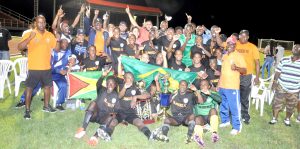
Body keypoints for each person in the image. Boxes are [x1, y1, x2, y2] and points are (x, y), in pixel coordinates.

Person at [18, 15, 59, 119]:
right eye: (39, 22)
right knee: (29, 89)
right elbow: (20, 47)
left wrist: (57, 39)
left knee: (47, 88)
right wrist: (29, 39)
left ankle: (46, 106)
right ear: (35, 23)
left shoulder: (49, 35)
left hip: (46, 68)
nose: (41, 24)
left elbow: (57, 48)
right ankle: (27, 110)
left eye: (43, 22)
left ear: (45, 23)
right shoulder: (29, 33)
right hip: (34, 68)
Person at [75, 68, 120, 146]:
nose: (110, 85)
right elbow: (98, 83)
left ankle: (95, 136)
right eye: (108, 83)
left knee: (113, 114)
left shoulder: (116, 96)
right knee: (93, 103)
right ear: (106, 84)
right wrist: (103, 75)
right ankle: (83, 128)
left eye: (112, 83)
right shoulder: (102, 90)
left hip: (104, 120)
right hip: (95, 115)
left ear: (115, 85)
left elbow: (117, 110)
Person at [218, 36, 246, 135]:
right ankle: (225, 121)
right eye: (229, 43)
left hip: (232, 86)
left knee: (234, 107)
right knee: (223, 104)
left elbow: (244, 70)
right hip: (223, 85)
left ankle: (237, 127)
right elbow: (222, 72)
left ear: (235, 45)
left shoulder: (238, 55)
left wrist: (237, 68)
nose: (230, 45)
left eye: (232, 44)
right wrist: (219, 84)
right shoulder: (225, 56)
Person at [117, 72, 155, 140]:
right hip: (119, 111)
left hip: (131, 112)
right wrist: (125, 88)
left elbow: (147, 95)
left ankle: (149, 135)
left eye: (132, 78)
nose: (130, 80)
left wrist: (135, 97)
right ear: (124, 79)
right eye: (128, 78)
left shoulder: (136, 86)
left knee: (139, 122)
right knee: (112, 121)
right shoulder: (120, 85)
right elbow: (119, 96)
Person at [269, 44, 300, 127]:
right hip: (281, 86)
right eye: (294, 47)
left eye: (297, 48)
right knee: (276, 103)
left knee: (291, 106)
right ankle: (274, 118)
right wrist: (274, 82)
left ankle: (287, 119)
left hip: (294, 90)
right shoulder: (284, 59)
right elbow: (278, 71)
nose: (295, 48)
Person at [236, 30, 260, 124]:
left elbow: (257, 63)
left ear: (248, 37)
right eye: (241, 36)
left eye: (245, 36)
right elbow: (222, 44)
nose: (243, 38)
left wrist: (257, 77)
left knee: (244, 97)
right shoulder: (235, 44)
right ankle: (235, 114)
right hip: (235, 74)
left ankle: (245, 115)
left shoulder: (252, 47)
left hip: (246, 76)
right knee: (235, 95)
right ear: (239, 36)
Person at [193, 79, 221, 147]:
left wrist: (210, 94)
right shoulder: (196, 93)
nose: (203, 86)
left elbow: (220, 100)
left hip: (209, 117)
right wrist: (197, 93)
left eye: (205, 85)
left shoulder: (211, 93)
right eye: (201, 85)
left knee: (213, 110)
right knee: (197, 118)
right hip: (200, 118)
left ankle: (214, 133)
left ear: (209, 86)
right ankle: (199, 138)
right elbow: (199, 102)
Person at [51, 39, 72, 110]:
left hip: (60, 75)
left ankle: (59, 103)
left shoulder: (68, 52)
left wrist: (66, 69)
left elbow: (68, 64)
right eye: (64, 43)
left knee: (64, 84)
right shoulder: (54, 52)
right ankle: (23, 100)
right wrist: (58, 71)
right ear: (60, 44)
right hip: (51, 74)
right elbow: (49, 66)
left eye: (67, 43)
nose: (65, 44)